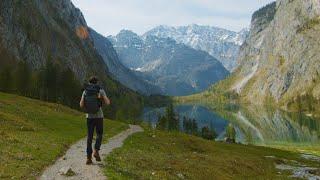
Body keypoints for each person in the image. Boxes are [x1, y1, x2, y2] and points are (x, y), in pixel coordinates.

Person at [80, 76, 111, 165]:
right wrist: (101, 98)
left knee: (89, 137)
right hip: (99, 116)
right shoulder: (100, 90)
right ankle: (96, 150)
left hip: (89, 117)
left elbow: (81, 105)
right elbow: (108, 103)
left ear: (89, 82)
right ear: (96, 82)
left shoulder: (85, 91)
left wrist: (87, 103)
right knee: (99, 134)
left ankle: (88, 158)